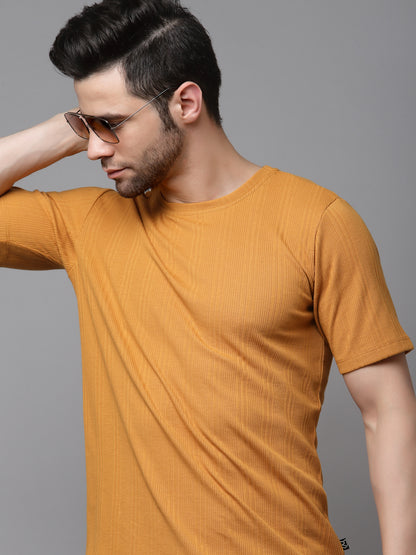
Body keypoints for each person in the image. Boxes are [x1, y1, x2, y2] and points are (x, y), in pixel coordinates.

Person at [1, 0, 415, 553]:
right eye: (87, 127)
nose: (95, 148)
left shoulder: (318, 223)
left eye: (111, 125)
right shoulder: (88, 224)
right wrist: (72, 127)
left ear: (187, 102)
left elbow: (387, 410)